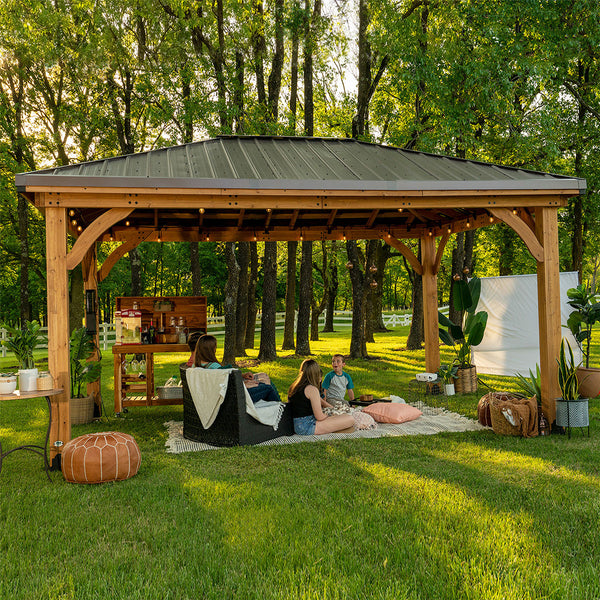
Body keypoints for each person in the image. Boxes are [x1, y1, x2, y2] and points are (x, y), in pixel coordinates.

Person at [193, 334, 282, 403]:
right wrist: (244, 383)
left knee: (263, 377)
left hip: (220, 397)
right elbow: (229, 386)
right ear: (211, 350)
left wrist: (242, 376)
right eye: (215, 348)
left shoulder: (195, 367)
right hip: (234, 399)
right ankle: (280, 409)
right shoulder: (215, 368)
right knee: (268, 387)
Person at [288, 359, 354, 435]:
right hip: (307, 426)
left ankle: (336, 427)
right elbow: (319, 416)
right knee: (350, 419)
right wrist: (330, 416)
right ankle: (336, 428)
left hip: (296, 424)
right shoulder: (312, 389)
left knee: (342, 418)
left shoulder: (294, 386)